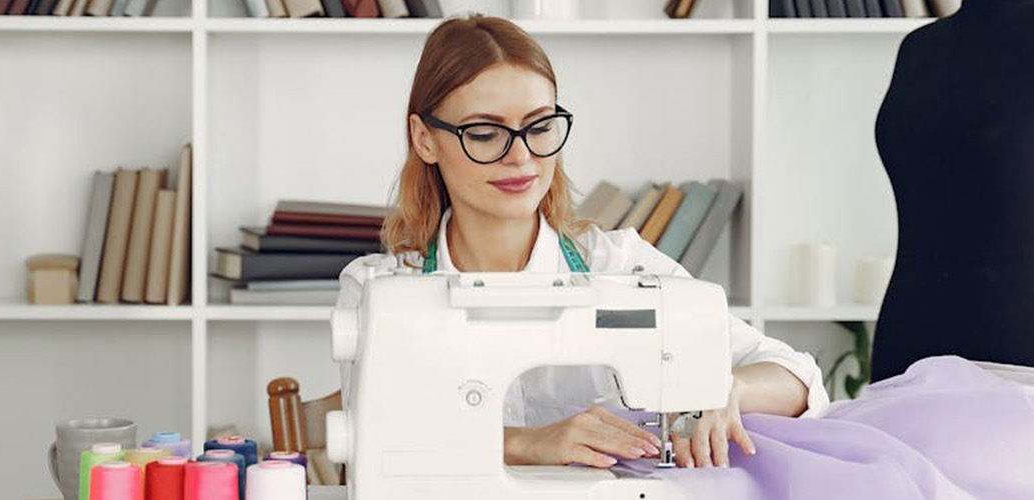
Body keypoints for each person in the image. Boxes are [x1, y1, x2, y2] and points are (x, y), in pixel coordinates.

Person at [333, 14, 829, 470]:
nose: (521, 157)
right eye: (485, 133)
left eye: (540, 126)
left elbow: (797, 375)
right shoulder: (378, 287)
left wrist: (727, 388)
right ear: (424, 139)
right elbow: (378, 432)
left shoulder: (623, 265)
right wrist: (530, 442)